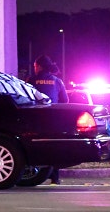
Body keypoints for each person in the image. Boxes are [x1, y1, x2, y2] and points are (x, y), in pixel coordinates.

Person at [27, 54, 68, 184]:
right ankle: (55, 178)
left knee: (35, 146)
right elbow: (65, 101)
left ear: (39, 66)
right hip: (53, 119)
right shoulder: (57, 81)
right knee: (54, 147)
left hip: (36, 119)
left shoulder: (31, 80)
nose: (34, 68)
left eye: (35, 66)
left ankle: (32, 173)